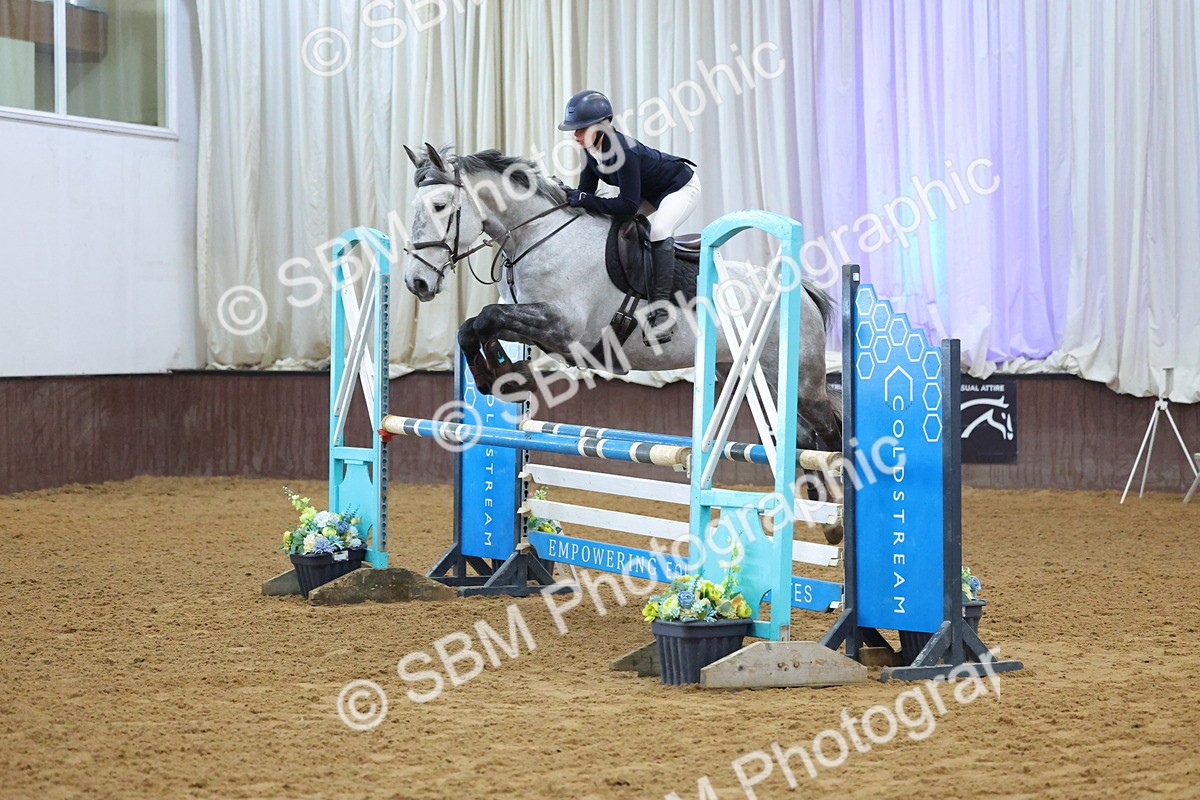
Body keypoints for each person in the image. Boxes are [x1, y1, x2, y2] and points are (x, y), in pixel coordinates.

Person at [558, 90, 700, 345]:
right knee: (614, 228)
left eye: (581, 128)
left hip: (679, 187)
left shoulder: (623, 151)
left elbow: (627, 204)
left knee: (659, 231)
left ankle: (661, 315)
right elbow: (586, 194)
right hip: (649, 192)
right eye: (574, 129)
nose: (575, 135)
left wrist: (584, 200)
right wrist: (564, 198)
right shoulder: (589, 151)